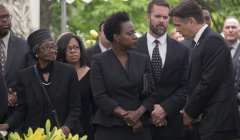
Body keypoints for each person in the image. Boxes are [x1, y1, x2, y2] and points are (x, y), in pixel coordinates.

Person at [169, 1, 240, 139]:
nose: (177, 30)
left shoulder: (213, 40)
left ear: (191, 21)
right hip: (207, 121)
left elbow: (208, 82)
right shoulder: (201, 41)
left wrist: (189, 112)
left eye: (178, 25)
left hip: (217, 123)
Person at [0, 29, 82, 137]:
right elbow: (21, 110)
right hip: (34, 135)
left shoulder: (68, 72)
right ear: (36, 52)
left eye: (53, 46)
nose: (52, 50)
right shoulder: (24, 76)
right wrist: (8, 124)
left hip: (61, 134)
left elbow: (75, 107)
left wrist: (67, 126)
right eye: (46, 47)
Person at [90, 11, 157, 140]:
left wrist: (138, 113)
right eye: (130, 33)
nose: (135, 36)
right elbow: (99, 96)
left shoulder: (142, 60)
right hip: (110, 127)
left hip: (140, 127)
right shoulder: (99, 61)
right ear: (116, 37)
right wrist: (127, 116)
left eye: (135, 32)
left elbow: (150, 93)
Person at [134, 0, 188, 139]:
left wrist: (165, 109)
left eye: (165, 17)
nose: (162, 21)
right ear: (148, 17)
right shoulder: (133, 48)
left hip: (171, 126)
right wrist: (149, 110)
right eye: (157, 16)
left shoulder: (182, 50)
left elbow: (185, 86)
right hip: (140, 124)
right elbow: (128, 85)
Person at [56, 32, 96, 140]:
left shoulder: (91, 74)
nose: (73, 51)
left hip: (86, 128)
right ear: (61, 51)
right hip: (62, 129)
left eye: (76, 47)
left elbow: (97, 106)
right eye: (68, 48)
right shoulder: (56, 76)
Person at [0, 4, 35, 123]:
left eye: (6, 16)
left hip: (16, 116)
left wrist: (17, 97)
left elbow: (32, 78)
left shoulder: (25, 46)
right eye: (0, 17)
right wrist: (3, 98)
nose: (4, 19)